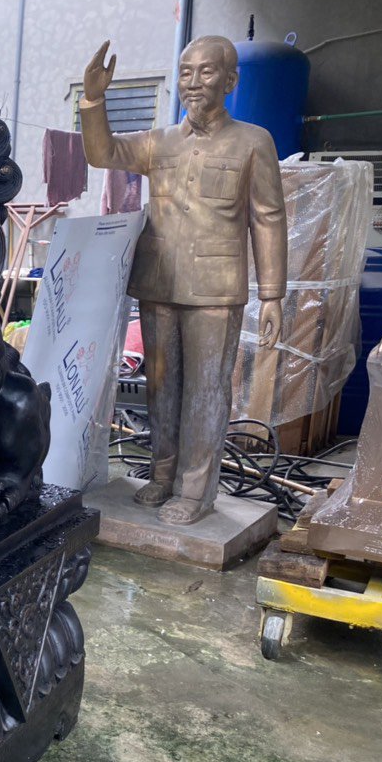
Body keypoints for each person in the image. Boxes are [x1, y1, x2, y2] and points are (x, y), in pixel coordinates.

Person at [80, 35, 286, 525]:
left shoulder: (253, 142)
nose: (193, 82)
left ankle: (195, 491)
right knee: (161, 386)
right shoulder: (160, 141)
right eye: (186, 72)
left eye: (206, 72)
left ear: (230, 81)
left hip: (216, 287)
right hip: (159, 283)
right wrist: (93, 99)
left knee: (206, 391)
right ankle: (163, 475)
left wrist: (272, 295)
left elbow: (269, 218)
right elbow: (102, 153)